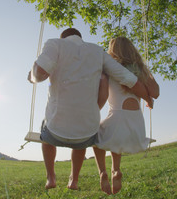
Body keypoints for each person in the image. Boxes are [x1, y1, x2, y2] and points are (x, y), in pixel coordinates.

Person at [28, 28, 152, 190]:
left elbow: (40, 73)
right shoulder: (97, 51)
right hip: (85, 134)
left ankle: (51, 177)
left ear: (63, 38)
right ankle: (74, 180)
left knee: (46, 136)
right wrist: (147, 97)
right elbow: (126, 77)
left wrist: (31, 76)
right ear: (80, 37)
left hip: (55, 131)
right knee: (82, 140)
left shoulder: (55, 44)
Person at [93, 36, 160, 195]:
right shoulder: (140, 69)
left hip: (117, 117)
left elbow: (101, 93)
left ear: (112, 50)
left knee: (95, 138)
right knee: (116, 139)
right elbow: (156, 93)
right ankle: (116, 170)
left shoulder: (109, 68)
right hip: (137, 125)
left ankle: (103, 173)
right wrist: (145, 74)